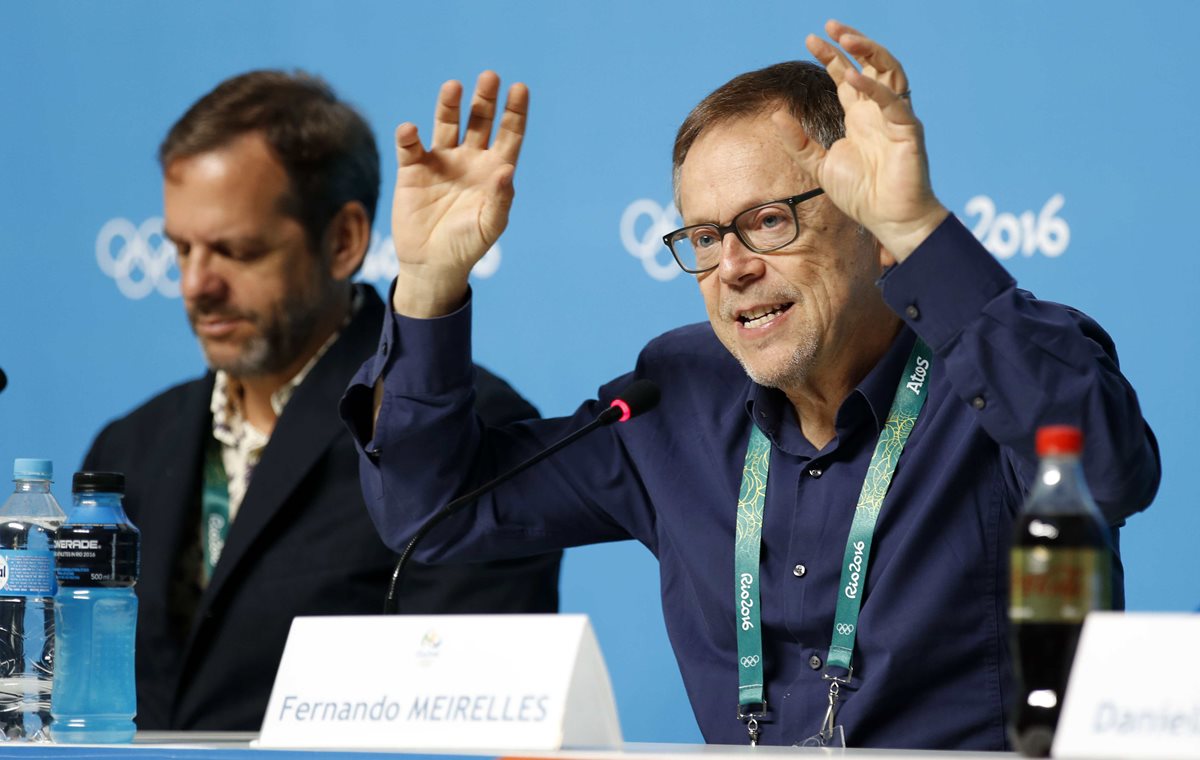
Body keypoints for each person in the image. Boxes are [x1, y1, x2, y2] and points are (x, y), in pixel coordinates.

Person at [340, 21, 1159, 750]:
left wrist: (917, 228)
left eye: (768, 221)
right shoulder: (674, 397)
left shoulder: (997, 369)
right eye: (703, 236)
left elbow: (1109, 473)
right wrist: (428, 285)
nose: (731, 267)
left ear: (867, 219)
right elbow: (431, 512)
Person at [83, 69, 561, 731]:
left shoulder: (467, 433)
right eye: (181, 249)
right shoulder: (128, 447)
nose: (195, 285)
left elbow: (469, 726)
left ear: (343, 241)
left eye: (235, 251)